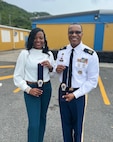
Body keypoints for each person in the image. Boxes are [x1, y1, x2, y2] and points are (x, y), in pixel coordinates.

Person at [55, 23, 99, 142]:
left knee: (78, 127)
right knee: (65, 124)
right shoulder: (62, 52)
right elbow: (56, 69)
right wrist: (56, 69)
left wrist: (75, 94)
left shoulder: (90, 54)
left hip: (78, 94)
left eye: (77, 32)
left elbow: (93, 81)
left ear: (82, 34)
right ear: (68, 34)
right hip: (63, 91)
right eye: (71, 32)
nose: (74, 35)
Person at [13, 27, 55, 142]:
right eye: (35, 38)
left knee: (42, 119)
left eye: (41, 38)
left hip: (46, 88)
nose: (38, 40)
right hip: (31, 89)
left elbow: (53, 75)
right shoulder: (25, 54)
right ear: (31, 40)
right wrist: (28, 89)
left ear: (44, 39)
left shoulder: (49, 54)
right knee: (34, 124)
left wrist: (51, 67)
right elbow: (17, 76)